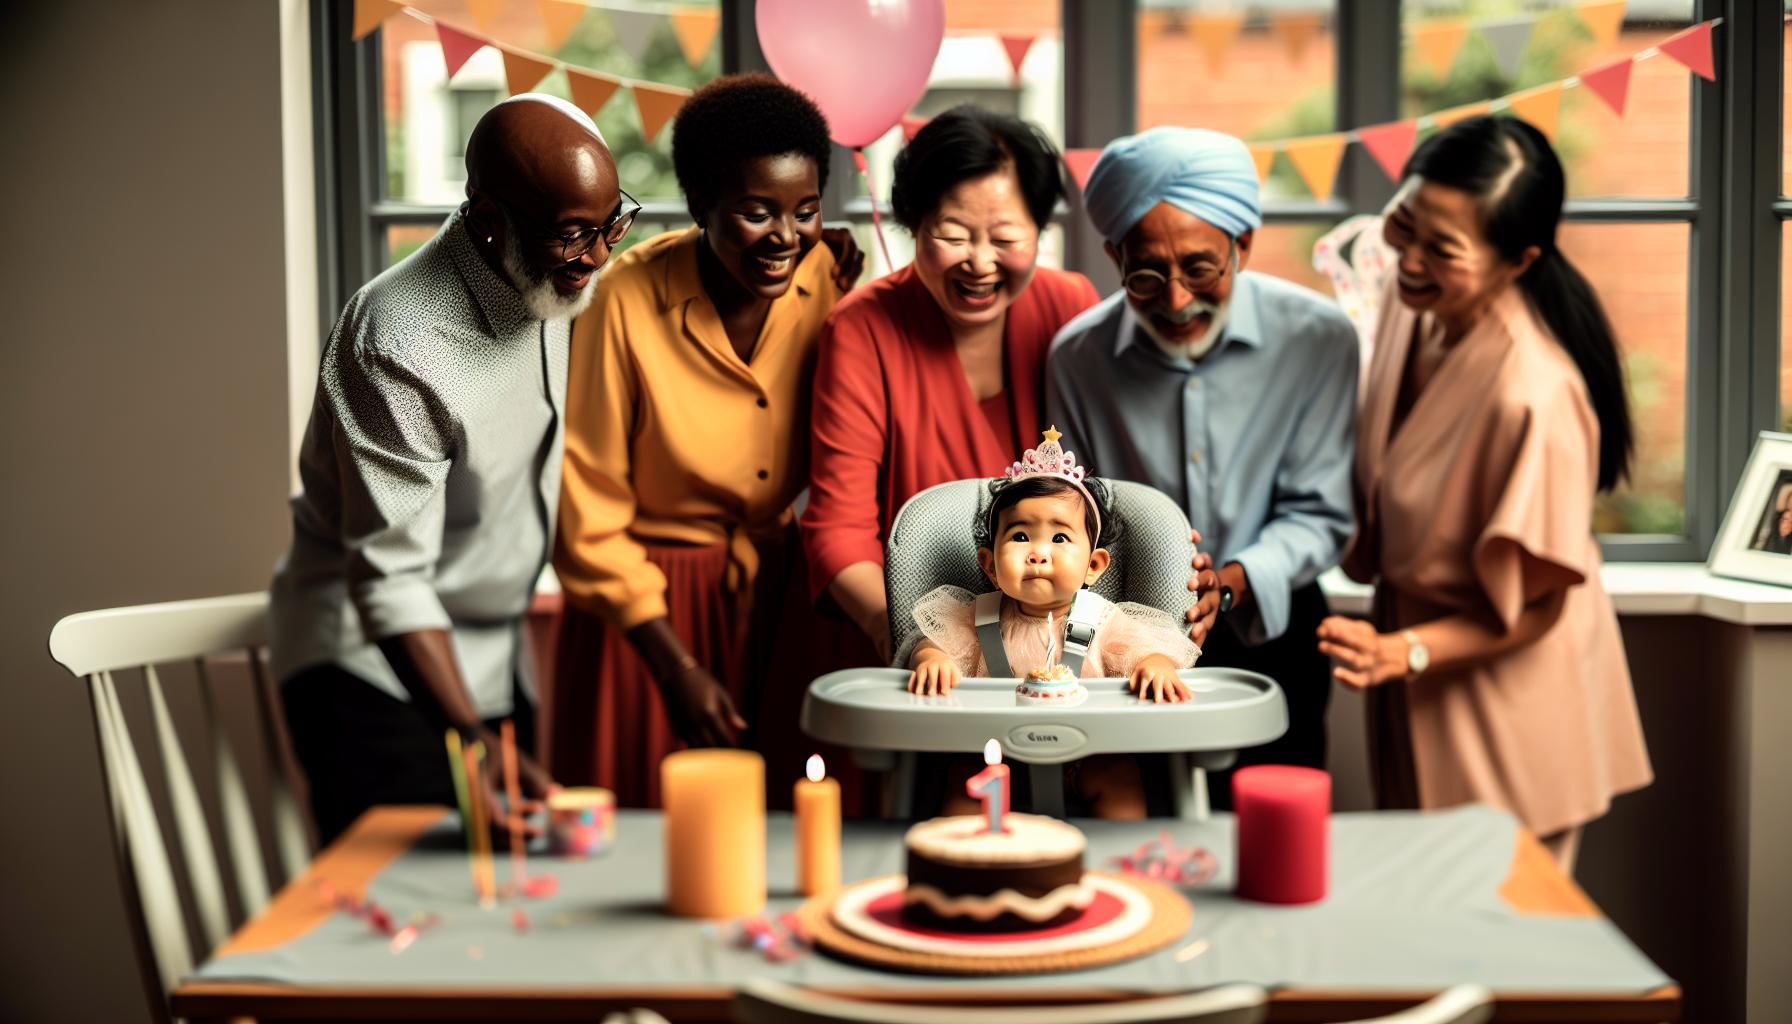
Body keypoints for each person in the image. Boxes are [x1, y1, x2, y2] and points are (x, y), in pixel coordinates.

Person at [271, 95, 627, 844]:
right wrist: (470, 739)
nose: (596, 256)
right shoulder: (397, 340)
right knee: (406, 919)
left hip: (493, 660)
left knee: (516, 898)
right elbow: (391, 579)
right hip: (369, 671)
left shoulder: (558, 273)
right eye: (572, 236)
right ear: (491, 220)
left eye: (609, 226)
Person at [1316, 116, 1652, 872]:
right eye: (1405, 221)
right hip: (1408, 669)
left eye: (1444, 248)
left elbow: (1540, 604)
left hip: (1507, 695)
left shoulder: (1535, 393)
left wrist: (1404, 651)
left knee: (1503, 957)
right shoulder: (1413, 302)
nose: (1408, 256)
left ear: (1518, 261)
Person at [802, 107, 1222, 668]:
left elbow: (1123, 487)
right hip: (919, 648)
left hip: (1071, 649)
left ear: (1039, 230)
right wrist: (909, 633)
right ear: (913, 225)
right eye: (951, 235)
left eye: (1006, 237)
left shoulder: (1068, 307)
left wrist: (1178, 573)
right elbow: (838, 530)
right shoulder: (862, 329)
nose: (979, 262)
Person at [551, 75, 863, 807]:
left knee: (786, 825)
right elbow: (586, 509)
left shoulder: (827, 276)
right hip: (647, 611)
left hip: (780, 595)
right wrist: (673, 665)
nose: (786, 237)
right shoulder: (621, 299)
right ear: (700, 206)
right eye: (757, 213)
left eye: (806, 210)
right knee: (646, 828)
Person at [1047, 127, 1358, 806]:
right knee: (1136, 829)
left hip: (1276, 625)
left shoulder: (1319, 340)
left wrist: (1235, 581)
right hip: (1124, 634)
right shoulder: (1078, 358)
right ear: (1112, 254)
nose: (1178, 300)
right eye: (1146, 274)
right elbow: (1076, 513)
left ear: (1242, 245)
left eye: (1201, 268)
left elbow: (1321, 514)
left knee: (1270, 830)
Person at [903, 430, 1200, 818]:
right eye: (1021, 536)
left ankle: (1116, 863)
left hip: (1089, 758)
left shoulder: (1104, 623)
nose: (1039, 553)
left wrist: (1155, 666)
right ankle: (964, 865)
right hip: (994, 758)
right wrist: (930, 660)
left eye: (1060, 537)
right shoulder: (974, 619)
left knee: (1120, 776)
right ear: (990, 565)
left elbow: (1144, 652)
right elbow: (933, 644)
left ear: (1093, 567)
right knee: (962, 780)